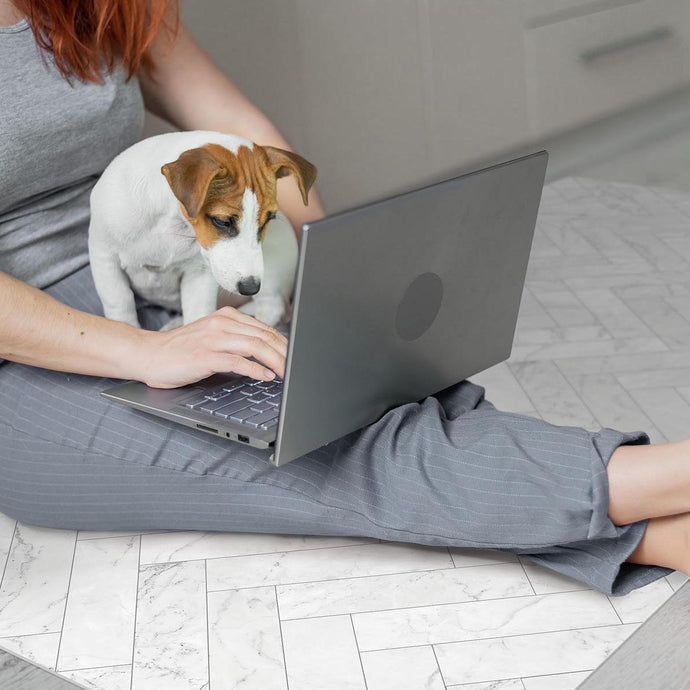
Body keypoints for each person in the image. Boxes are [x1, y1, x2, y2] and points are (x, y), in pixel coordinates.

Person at [0, 0, 688, 598]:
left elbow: (234, 122)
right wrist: (149, 351)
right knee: (310, 454)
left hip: (169, 270)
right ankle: (660, 479)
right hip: (24, 351)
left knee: (366, 395)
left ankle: (657, 534)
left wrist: (326, 264)